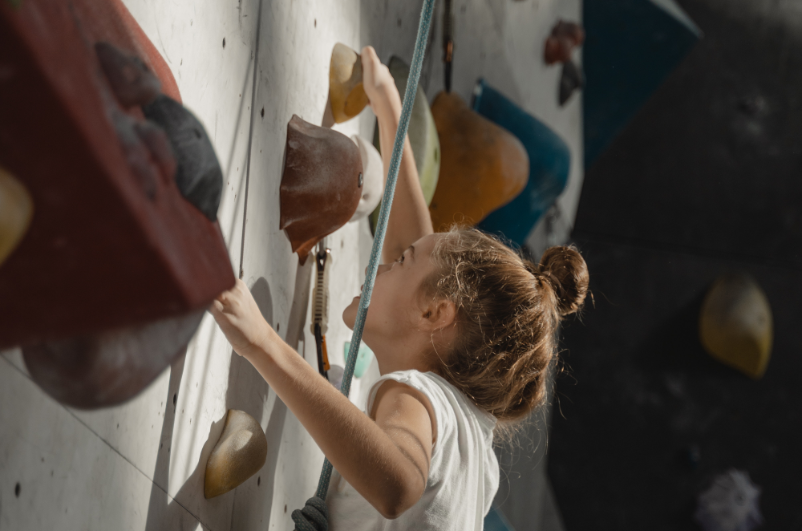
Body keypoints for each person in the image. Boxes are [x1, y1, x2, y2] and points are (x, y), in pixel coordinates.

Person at [210, 46, 589, 530]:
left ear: (435, 314)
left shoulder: (414, 395)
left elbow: (398, 484)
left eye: (400, 264)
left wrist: (262, 344)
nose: (383, 265)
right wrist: (391, 107)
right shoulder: (469, 431)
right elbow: (415, 245)